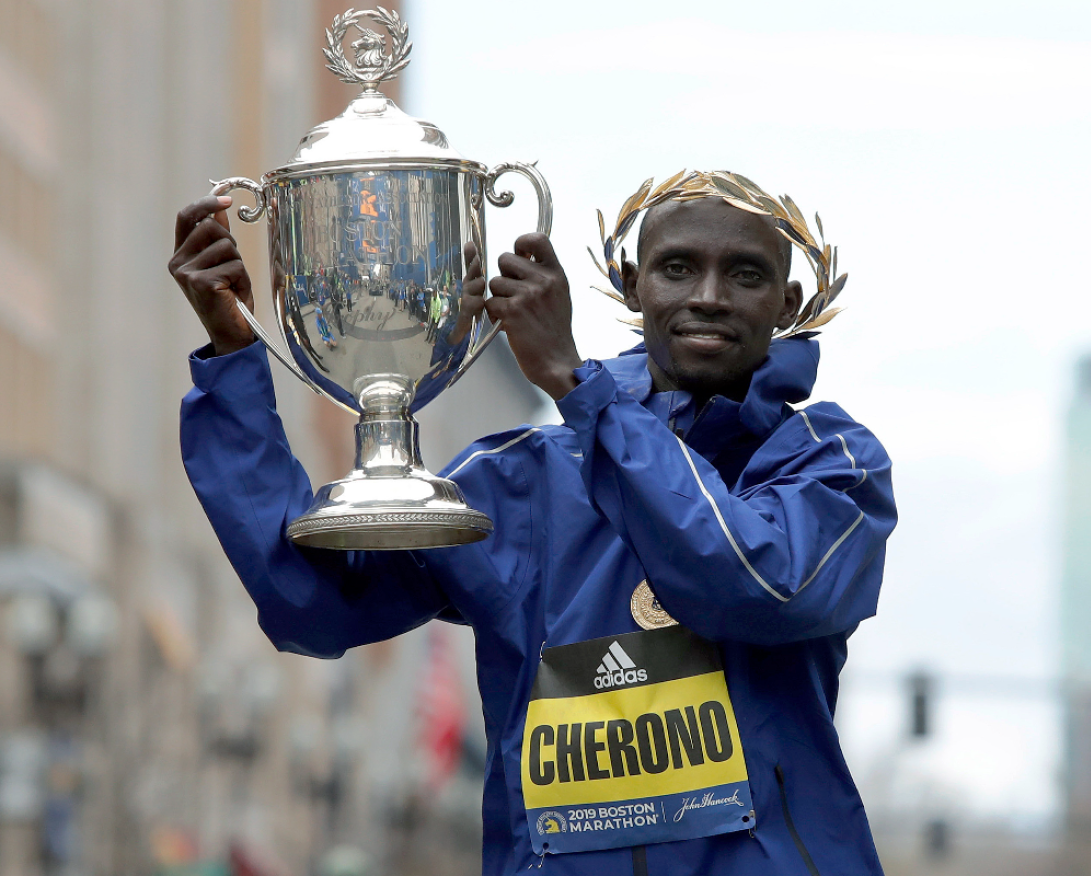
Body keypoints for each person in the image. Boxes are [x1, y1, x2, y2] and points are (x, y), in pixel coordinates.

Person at [169, 174, 897, 876]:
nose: (708, 296)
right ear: (631, 284)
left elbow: (749, 582)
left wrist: (579, 389)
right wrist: (235, 355)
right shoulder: (522, 478)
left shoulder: (830, 467)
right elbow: (312, 606)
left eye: (744, 274)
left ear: (788, 301)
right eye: (677, 268)